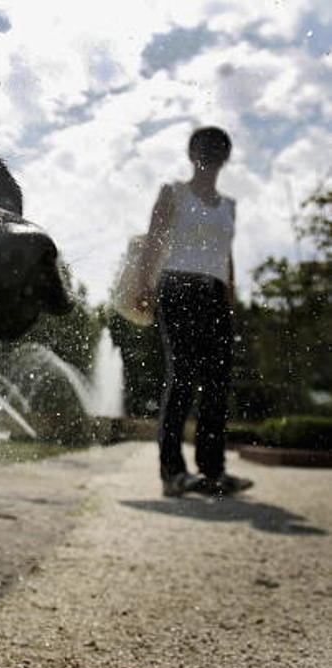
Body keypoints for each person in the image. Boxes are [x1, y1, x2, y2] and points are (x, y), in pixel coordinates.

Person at [137, 126, 253, 498]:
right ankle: (172, 473)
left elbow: (226, 254)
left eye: (219, 148)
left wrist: (231, 298)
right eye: (204, 147)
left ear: (226, 157)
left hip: (215, 293)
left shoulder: (230, 205)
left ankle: (213, 473)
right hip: (177, 287)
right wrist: (144, 283)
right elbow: (153, 239)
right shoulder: (174, 193)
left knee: (217, 384)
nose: (211, 153)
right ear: (191, 153)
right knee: (183, 376)